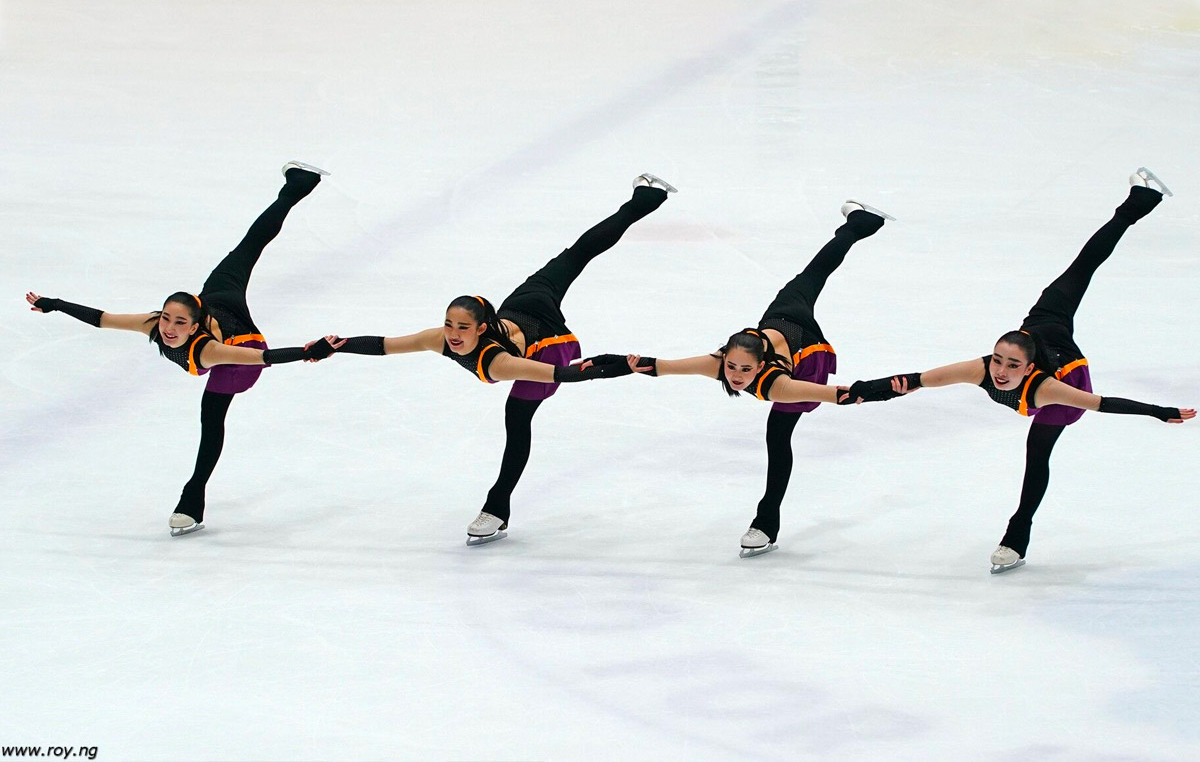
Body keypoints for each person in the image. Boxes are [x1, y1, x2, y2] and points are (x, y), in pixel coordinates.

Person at [841, 169, 1195, 572]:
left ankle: (1016, 536)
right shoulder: (980, 369)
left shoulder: (1047, 390)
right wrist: (865, 390)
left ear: (1027, 369)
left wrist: (1158, 411)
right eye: (997, 360)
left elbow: (1102, 403)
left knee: (1036, 457)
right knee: (1081, 267)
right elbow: (916, 381)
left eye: (1011, 366)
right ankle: (1141, 201)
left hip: (1067, 375)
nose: (1000, 371)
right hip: (1045, 323)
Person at [324, 175, 675, 543]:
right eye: (449, 324)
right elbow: (385, 345)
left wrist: (610, 369)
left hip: (548, 345)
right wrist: (336, 344)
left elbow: (561, 373)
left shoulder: (497, 363)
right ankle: (646, 198)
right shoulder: (439, 338)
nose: (453, 334)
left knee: (517, 419)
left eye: (462, 327)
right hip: (524, 305)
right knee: (575, 256)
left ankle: (496, 508)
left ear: (480, 328)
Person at [26, 162, 339, 536]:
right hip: (219, 299)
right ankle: (299, 184)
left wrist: (310, 351)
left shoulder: (208, 351)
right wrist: (54, 304)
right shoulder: (156, 323)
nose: (169, 329)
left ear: (194, 325)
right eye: (166, 319)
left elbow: (263, 358)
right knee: (248, 245)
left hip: (242, 356)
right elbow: (102, 318)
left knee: (211, 418)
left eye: (178, 323)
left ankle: (192, 501)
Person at [625, 200, 893, 557]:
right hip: (782, 315)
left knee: (777, 435)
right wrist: (627, 364)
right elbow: (664, 366)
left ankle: (765, 524)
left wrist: (886, 389)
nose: (736, 377)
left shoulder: (777, 383)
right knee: (813, 273)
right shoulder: (724, 361)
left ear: (761, 364)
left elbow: (836, 394)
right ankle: (862, 222)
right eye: (732, 367)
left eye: (745, 371)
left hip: (806, 356)